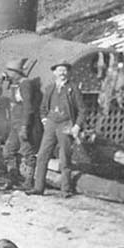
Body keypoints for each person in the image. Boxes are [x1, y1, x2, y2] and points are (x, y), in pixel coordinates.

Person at [30, 61, 86, 196]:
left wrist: (77, 126)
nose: (62, 73)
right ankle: (38, 188)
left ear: (68, 73)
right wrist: (45, 120)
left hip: (66, 124)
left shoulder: (73, 89)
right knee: (43, 155)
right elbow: (43, 108)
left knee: (65, 158)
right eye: (59, 70)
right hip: (51, 124)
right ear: (54, 73)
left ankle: (65, 189)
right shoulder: (50, 88)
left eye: (65, 70)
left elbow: (82, 110)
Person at [1, 57, 43, 191]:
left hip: (24, 125)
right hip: (15, 124)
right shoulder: (15, 84)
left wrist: (25, 126)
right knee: (8, 151)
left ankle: (28, 182)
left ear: (15, 72)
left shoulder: (25, 84)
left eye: (9, 71)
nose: (7, 74)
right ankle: (13, 178)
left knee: (27, 152)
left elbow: (28, 107)